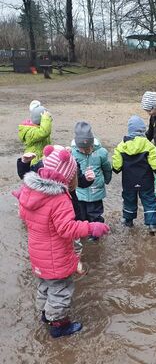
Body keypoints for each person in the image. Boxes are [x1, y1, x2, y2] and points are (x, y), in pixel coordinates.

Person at [13, 145, 110, 338]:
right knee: (61, 290)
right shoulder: (59, 198)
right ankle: (57, 324)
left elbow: (23, 214)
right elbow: (67, 229)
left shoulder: (30, 190)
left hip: (37, 254)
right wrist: (91, 227)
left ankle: (44, 313)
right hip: (55, 256)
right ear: (67, 175)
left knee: (43, 284)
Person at [16, 149, 95, 274]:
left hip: (70, 217)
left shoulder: (69, 168)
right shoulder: (42, 167)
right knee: (60, 244)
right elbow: (24, 175)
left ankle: (74, 261)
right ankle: (65, 265)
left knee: (74, 243)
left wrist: (88, 179)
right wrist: (24, 162)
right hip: (54, 224)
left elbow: (80, 181)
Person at [112, 115, 156, 231]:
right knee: (149, 199)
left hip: (129, 181)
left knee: (129, 199)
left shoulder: (121, 145)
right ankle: (153, 224)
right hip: (146, 181)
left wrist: (115, 169)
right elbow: (154, 163)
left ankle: (128, 220)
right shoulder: (148, 145)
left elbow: (117, 166)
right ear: (142, 130)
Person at [71, 121, 112, 241]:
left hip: (96, 191)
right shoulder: (72, 153)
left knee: (95, 214)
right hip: (80, 191)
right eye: (82, 149)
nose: (84, 151)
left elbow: (106, 167)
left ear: (92, 144)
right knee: (81, 215)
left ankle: (96, 234)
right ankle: (84, 232)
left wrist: (107, 179)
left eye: (88, 148)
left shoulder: (101, 152)